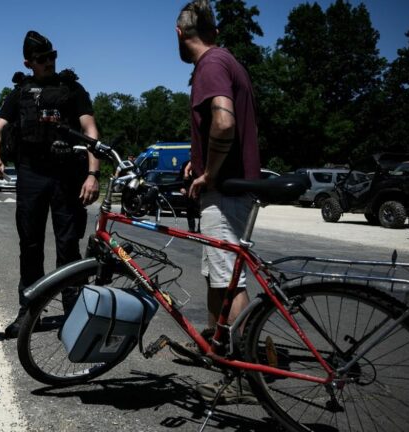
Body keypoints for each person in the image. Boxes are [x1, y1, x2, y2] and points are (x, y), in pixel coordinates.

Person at [0, 31, 101, 339]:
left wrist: (93, 174)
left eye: (52, 56)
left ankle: (74, 311)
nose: (48, 62)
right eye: (41, 59)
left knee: (68, 246)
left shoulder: (72, 89)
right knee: (30, 245)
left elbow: (90, 131)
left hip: (67, 175)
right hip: (31, 175)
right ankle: (30, 312)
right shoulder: (20, 92)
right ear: (29, 63)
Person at [177, 0, 260, 404]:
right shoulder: (227, 60)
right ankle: (217, 351)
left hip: (225, 193)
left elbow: (223, 122)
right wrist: (199, 167)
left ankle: (242, 377)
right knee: (218, 278)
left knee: (230, 281)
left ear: (180, 34)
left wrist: (210, 172)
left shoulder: (209, 65)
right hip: (227, 190)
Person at [179, 154, 200, 233]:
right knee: (190, 210)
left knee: (200, 211)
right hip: (188, 192)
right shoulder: (185, 164)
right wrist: (181, 188)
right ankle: (191, 228)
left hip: (199, 191)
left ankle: (200, 228)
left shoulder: (200, 165)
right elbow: (179, 178)